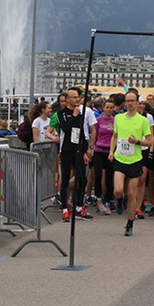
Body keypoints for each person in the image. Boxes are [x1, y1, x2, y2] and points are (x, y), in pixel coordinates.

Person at [109, 90, 152, 236]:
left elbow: (150, 141)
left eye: (133, 100)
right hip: (120, 158)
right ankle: (119, 200)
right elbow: (114, 136)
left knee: (132, 193)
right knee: (118, 190)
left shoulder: (143, 120)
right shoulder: (118, 118)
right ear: (125, 103)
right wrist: (111, 151)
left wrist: (137, 141)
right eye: (128, 100)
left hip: (135, 160)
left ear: (137, 102)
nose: (130, 103)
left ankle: (129, 224)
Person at [58, 87, 96, 222]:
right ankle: (64, 209)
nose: (77, 100)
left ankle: (79, 207)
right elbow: (65, 128)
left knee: (82, 179)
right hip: (67, 150)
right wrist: (73, 116)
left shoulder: (81, 114)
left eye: (78, 98)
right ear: (68, 100)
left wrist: (87, 150)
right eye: (74, 98)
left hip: (78, 150)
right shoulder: (62, 113)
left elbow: (82, 134)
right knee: (66, 179)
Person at [93, 98, 115, 214]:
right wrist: (91, 147)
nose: (109, 110)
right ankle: (98, 199)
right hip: (99, 150)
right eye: (107, 107)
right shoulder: (98, 120)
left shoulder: (115, 120)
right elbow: (94, 134)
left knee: (109, 178)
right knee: (97, 175)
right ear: (103, 108)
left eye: (111, 108)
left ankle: (108, 200)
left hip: (110, 151)